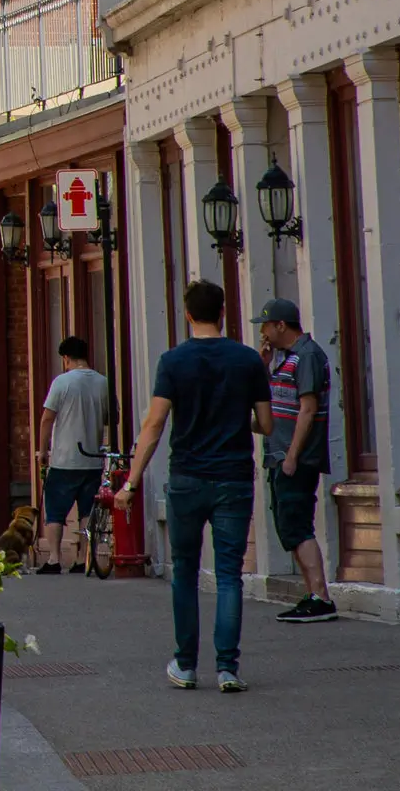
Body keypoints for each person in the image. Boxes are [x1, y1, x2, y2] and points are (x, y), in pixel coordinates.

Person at [117, 280, 270, 693]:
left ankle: (185, 665)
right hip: (234, 477)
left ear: (188, 314)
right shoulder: (248, 361)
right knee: (229, 574)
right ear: (224, 312)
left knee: (184, 570)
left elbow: (153, 425)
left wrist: (131, 480)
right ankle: (227, 668)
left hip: (186, 477)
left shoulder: (173, 361)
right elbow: (266, 424)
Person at [257, 298, 336, 624]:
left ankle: (321, 596)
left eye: (264, 325)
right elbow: (271, 406)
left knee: (297, 523)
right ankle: (312, 593)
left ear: (280, 325)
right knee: (288, 524)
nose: (261, 332)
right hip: (280, 455)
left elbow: (308, 408)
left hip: (296, 458)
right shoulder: (284, 360)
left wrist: (292, 456)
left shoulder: (307, 356)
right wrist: (262, 364)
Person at [37, 337, 111, 574]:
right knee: (87, 510)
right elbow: (112, 417)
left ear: (66, 358)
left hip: (65, 458)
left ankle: (54, 559)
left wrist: (42, 450)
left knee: (56, 511)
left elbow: (47, 418)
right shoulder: (103, 382)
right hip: (92, 458)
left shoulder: (62, 382)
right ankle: (82, 558)